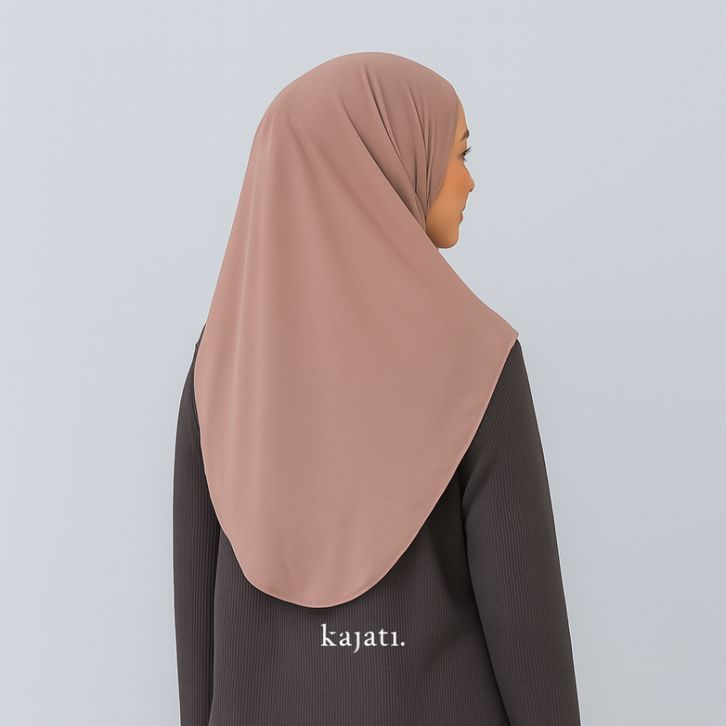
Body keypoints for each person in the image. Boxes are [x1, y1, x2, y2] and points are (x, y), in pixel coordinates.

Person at [173, 51, 581, 725]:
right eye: (458, 153)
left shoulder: (223, 360)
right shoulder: (476, 356)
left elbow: (197, 610)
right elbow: (525, 620)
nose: (469, 180)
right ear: (383, 161)